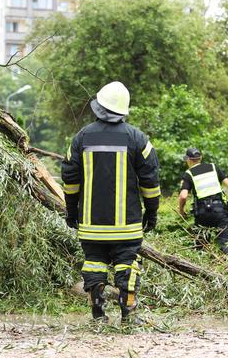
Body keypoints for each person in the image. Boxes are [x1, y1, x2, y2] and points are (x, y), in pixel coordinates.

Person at [61, 81, 161, 324]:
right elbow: (150, 180)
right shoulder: (137, 138)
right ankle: (128, 315)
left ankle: (98, 315)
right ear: (123, 110)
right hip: (126, 224)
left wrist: (71, 211)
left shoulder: (81, 138)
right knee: (127, 263)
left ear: (99, 107)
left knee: (94, 263)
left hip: (91, 224)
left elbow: (70, 179)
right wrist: (152, 212)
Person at [178, 148, 228, 257]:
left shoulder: (189, 174)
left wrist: (181, 211)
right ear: (200, 158)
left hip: (202, 214)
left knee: (201, 245)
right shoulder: (213, 167)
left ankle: (200, 267)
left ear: (188, 160)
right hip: (219, 211)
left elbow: (183, 196)